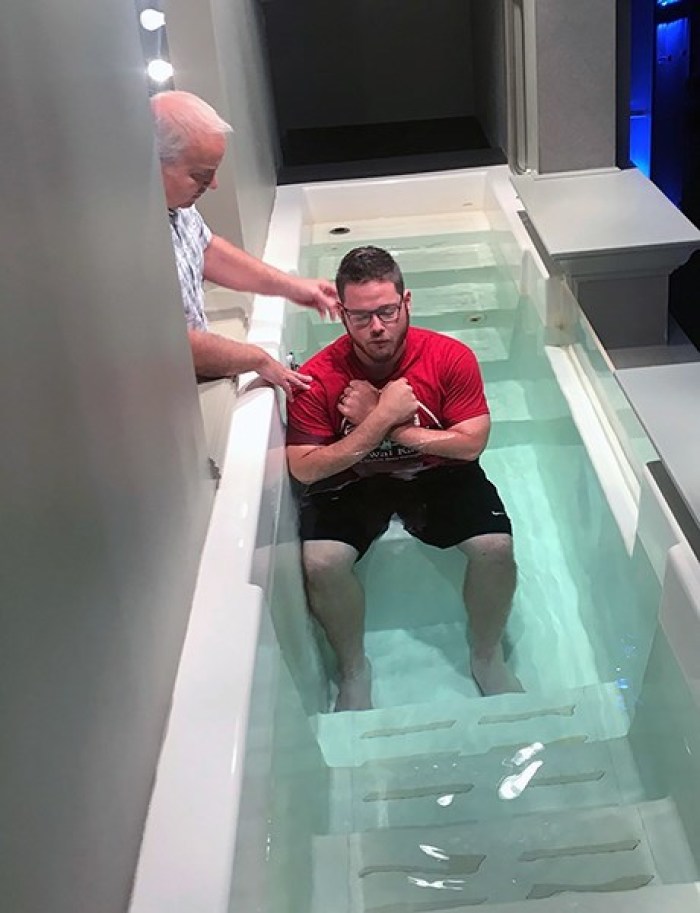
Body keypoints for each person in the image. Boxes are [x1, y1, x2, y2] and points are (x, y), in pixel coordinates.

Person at [286, 246, 522, 711]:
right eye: (361, 317)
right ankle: (354, 669)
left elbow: (471, 443)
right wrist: (379, 426)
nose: (377, 327)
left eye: (387, 312)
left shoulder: (449, 357)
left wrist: (389, 421)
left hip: (437, 475)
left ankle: (486, 654)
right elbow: (305, 467)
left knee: (496, 548)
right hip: (355, 480)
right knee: (320, 563)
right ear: (342, 315)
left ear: (406, 302)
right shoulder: (319, 375)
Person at [151, 90, 338, 397]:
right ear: (150, 162)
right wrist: (257, 357)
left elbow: (207, 250)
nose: (213, 185)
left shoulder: (176, 205)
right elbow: (175, 343)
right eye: (200, 175)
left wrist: (293, 286)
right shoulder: (128, 240)